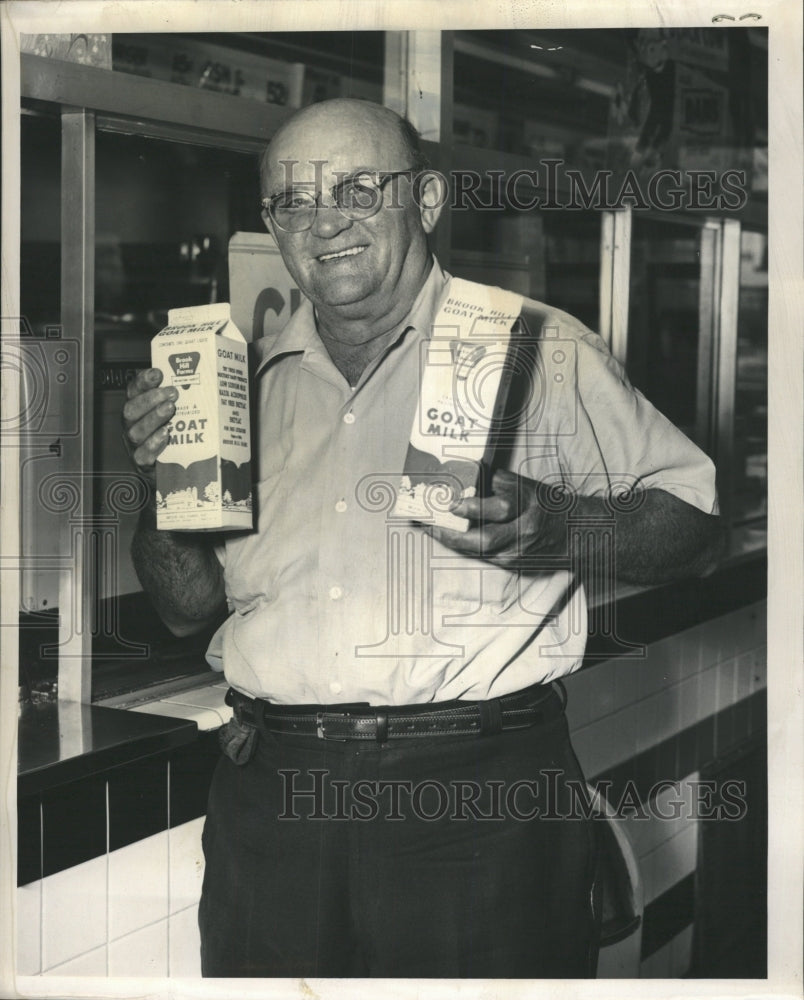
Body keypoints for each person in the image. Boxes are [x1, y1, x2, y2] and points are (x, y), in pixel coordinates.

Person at [123, 99, 723, 978]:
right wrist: (161, 481)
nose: (324, 222)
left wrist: (565, 525)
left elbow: (698, 530)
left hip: (478, 800)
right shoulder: (239, 382)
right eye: (291, 201)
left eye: (359, 188)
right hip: (270, 796)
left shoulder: (537, 348)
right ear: (270, 224)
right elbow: (184, 609)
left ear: (429, 200)